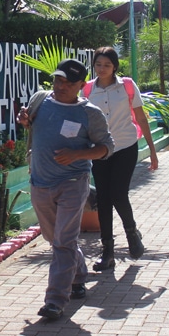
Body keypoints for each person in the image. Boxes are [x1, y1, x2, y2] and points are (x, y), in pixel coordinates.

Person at [16, 59, 114, 320]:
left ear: (81, 85)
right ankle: (79, 275)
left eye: (68, 83)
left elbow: (106, 148)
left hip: (73, 182)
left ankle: (56, 300)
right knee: (56, 238)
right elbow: (29, 123)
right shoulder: (40, 99)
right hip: (40, 182)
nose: (60, 86)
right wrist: (24, 121)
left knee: (63, 241)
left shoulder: (89, 113)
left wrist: (78, 154)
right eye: (57, 80)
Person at [83, 47, 157, 273]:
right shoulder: (87, 90)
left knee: (118, 193)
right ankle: (108, 252)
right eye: (98, 64)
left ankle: (131, 233)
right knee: (103, 199)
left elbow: (141, 118)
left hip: (125, 146)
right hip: (100, 149)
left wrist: (152, 151)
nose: (102, 69)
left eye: (106, 65)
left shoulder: (126, 86)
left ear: (114, 66)